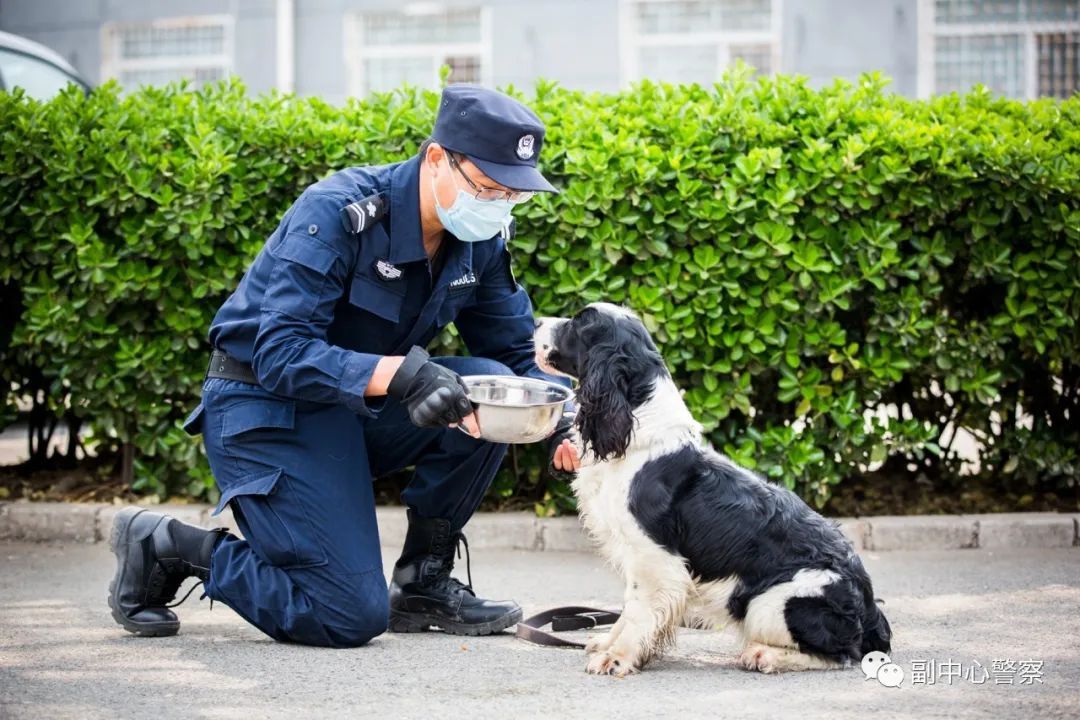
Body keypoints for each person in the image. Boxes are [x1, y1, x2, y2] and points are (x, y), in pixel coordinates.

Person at [107, 84, 581, 647]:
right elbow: (278, 352)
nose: (499, 205)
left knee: (494, 390)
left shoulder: (479, 240)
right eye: (488, 188)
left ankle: (424, 583)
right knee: (346, 615)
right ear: (437, 159)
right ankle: (171, 546)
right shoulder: (339, 210)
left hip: (354, 411)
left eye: (514, 195)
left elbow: (511, 352)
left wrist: (570, 417)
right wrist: (401, 374)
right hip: (265, 410)